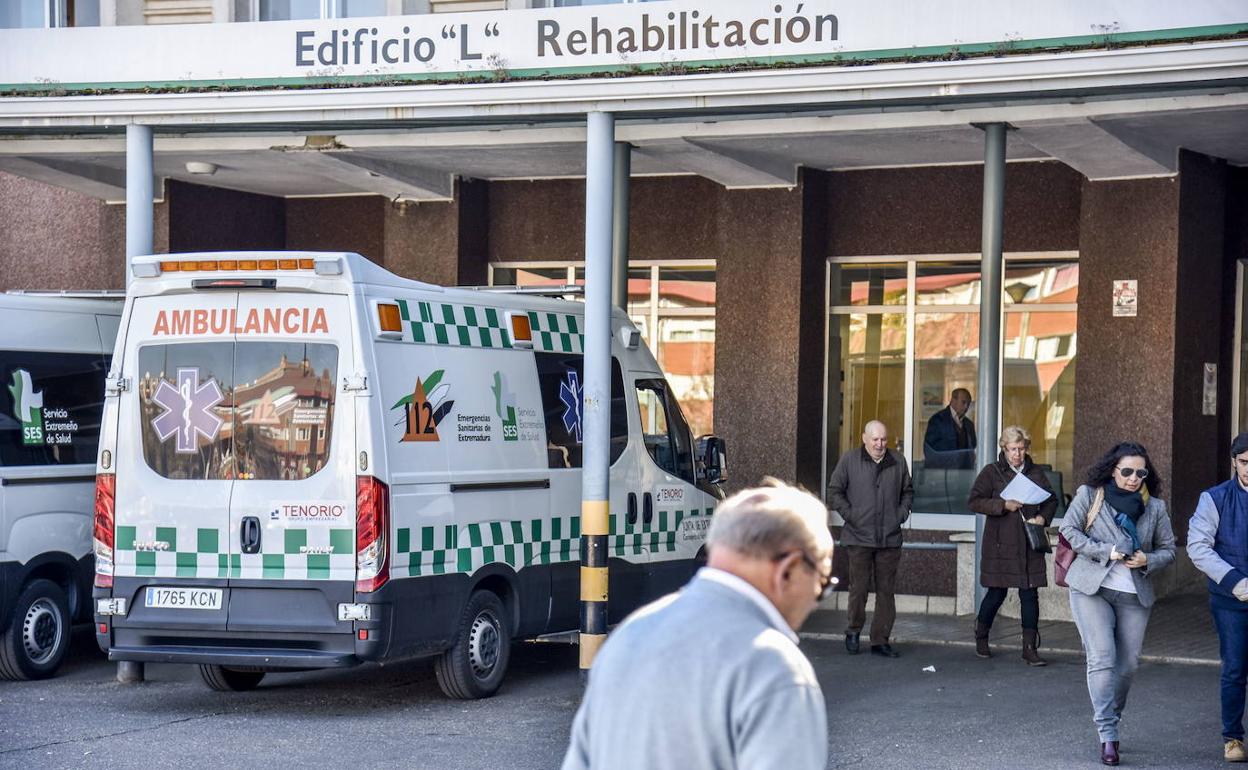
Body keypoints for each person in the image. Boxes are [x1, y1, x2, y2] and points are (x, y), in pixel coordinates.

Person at [561, 480, 833, 770]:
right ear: (788, 570)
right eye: (823, 582)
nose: (817, 599)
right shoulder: (774, 667)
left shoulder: (629, 635)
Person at [1060, 442, 1176, 767]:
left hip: (1133, 594)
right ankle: (1108, 734)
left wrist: (1147, 559)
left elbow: (1169, 549)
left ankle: (1112, 714)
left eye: (1141, 472)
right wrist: (1104, 551)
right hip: (1091, 588)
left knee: (1128, 666)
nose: (1133, 478)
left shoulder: (1154, 508)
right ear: (1113, 470)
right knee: (1101, 658)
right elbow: (1067, 529)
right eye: (1127, 471)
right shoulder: (1090, 495)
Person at [967, 425, 1057, 664]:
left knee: (1030, 594)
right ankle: (981, 634)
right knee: (997, 592)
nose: (1017, 454)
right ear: (1003, 449)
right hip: (1000, 543)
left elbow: (1051, 499)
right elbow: (974, 501)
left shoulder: (1035, 471)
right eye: (1012, 449)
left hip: (1028, 543)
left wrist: (1042, 518)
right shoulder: (992, 472)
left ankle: (1029, 648)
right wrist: (1002, 505)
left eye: (1021, 448)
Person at [827, 420, 913, 658]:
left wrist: (900, 514)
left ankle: (880, 640)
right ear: (864, 438)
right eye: (875, 439)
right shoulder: (849, 460)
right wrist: (851, 515)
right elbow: (835, 491)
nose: (879, 444)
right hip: (858, 536)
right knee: (859, 589)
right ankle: (853, 630)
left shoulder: (897, 461)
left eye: (883, 439)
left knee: (886, 591)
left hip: (889, 537)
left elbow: (908, 491)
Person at [1187, 431, 1248, 763]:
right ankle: (1233, 738)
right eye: (1244, 462)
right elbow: (1198, 548)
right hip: (1230, 599)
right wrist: (1238, 583)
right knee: (1235, 668)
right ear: (1234, 462)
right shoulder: (1214, 498)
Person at [924, 388, 977, 453]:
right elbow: (930, 449)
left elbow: (973, 447)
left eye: (968, 404)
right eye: (963, 402)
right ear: (953, 400)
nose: (966, 407)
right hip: (943, 462)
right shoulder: (937, 420)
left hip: (965, 463)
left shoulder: (969, 424)